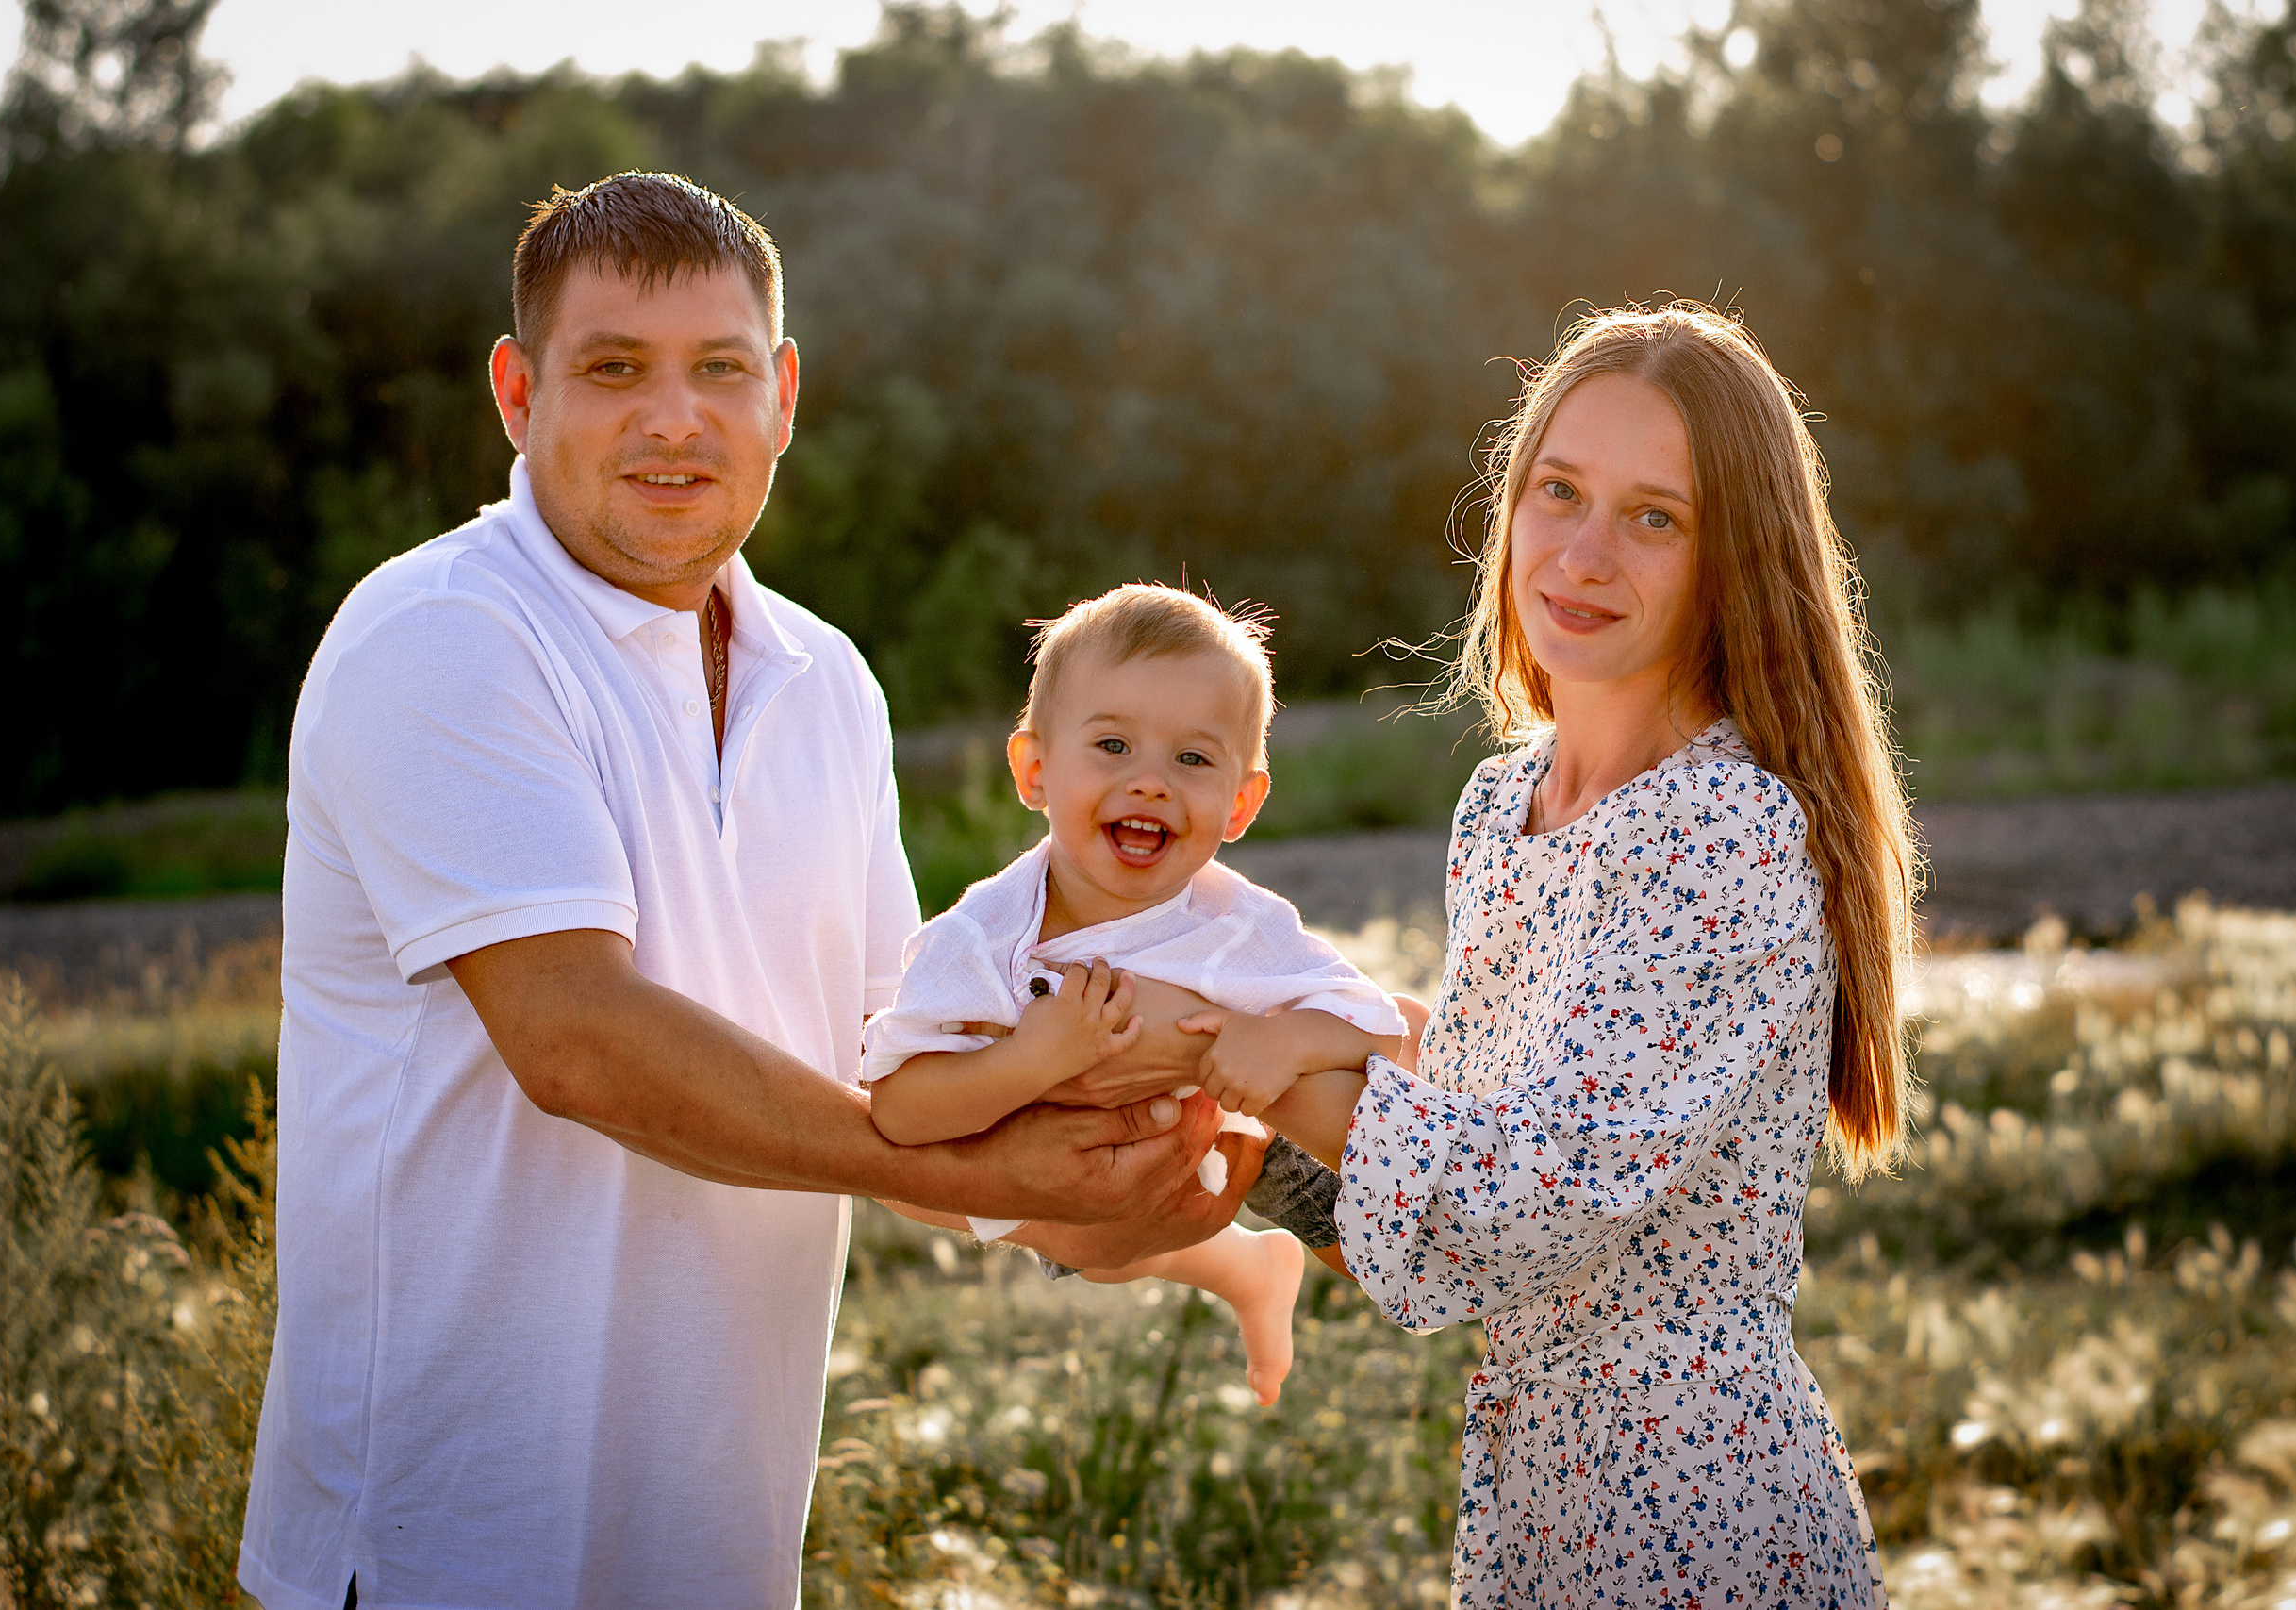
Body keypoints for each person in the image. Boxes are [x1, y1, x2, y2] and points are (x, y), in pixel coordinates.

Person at [238, 172, 1255, 1610]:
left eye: (719, 367)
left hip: (717, 1532)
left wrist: (1131, 1178)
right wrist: (956, 1167)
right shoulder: (443, 635)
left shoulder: (826, 679)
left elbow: (908, 1055)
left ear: (780, 391)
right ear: (518, 393)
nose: (675, 417)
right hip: (441, 1541)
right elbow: (576, 1038)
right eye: (613, 370)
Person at [1208, 303, 1911, 1606]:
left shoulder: (1722, 824)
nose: (1583, 553)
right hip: (1538, 1485)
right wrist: (1254, 1109)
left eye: (1656, 516)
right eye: (1559, 491)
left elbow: (1532, 1192)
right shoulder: (1506, 803)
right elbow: (1477, 1121)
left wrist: (1268, 1073)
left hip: (1689, 1500)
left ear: (1733, 557)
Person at [861, 584, 1423, 1404]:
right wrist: (1032, 1058)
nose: (1151, 782)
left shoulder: (1237, 924)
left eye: (1192, 759)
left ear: (1240, 803)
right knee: (1082, 1237)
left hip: (1250, 1124)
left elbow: (1372, 1030)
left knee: (1395, 1249)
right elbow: (900, 1110)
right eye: (1113, 745)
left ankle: (1493, 1271)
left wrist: (1286, 1042)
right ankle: (1245, 1266)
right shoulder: (983, 940)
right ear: (1035, 770)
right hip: (1070, 1157)